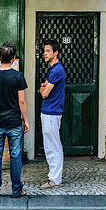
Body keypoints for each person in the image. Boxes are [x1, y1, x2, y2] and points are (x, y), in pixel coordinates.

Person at [0, 42, 29, 198]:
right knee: (15, 156)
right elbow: (22, 101)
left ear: (0, 57)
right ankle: (17, 190)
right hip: (14, 122)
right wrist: (26, 120)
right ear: (13, 58)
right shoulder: (18, 76)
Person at [39, 39, 66, 190]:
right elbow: (44, 88)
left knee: (53, 146)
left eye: (48, 51)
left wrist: (43, 88)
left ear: (55, 53)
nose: (45, 53)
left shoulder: (56, 70)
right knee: (50, 145)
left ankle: (55, 179)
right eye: (44, 51)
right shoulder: (55, 70)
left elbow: (44, 93)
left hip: (51, 112)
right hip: (50, 112)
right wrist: (43, 87)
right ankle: (53, 175)